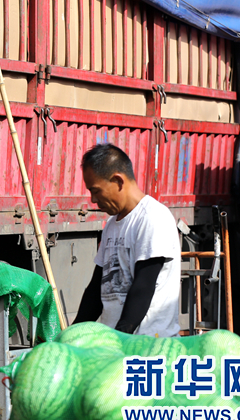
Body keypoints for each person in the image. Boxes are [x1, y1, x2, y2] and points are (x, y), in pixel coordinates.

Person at [73, 143, 181, 337]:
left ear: (118, 181)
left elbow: (143, 286)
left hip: (147, 346)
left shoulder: (153, 217)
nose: (93, 200)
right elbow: (96, 288)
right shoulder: (112, 225)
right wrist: (73, 334)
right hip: (118, 343)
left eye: (96, 191)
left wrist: (120, 338)